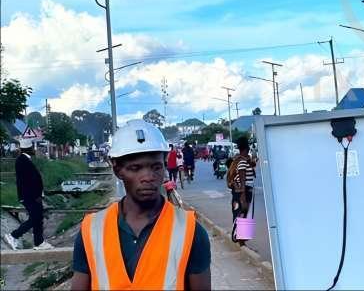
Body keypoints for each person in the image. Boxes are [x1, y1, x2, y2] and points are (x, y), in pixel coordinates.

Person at [70, 120, 211, 290]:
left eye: (156, 167)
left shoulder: (190, 232)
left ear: (164, 166)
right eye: (135, 168)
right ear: (117, 170)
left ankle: (242, 236)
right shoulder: (91, 231)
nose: (148, 177)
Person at [3, 139, 53, 251]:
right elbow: (28, 181)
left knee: (37, 217)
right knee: (35, 218)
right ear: (29, 149)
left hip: (31, 195)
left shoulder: (25, 160)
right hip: (30, 196)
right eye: (32, 148)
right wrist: (36, 196)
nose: (34, 150)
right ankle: (13, 235)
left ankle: (39, 242)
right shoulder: (23, 161)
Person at [228, 136, 257, 246]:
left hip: (244, 191)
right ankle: (240, 241)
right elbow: (242, 179)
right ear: (246, 148)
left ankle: (242, 241)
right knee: (242, 214)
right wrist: (243, 196)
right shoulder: (242, 162)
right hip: (243, 191)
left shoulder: (243, 160)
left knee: (244, 214)